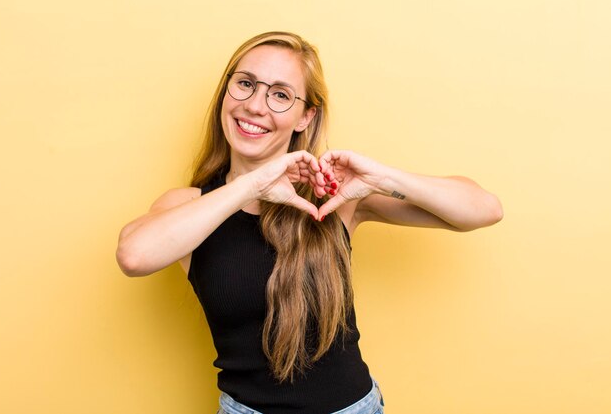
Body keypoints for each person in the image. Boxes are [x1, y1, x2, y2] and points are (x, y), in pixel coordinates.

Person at [116, 31, 503, 414]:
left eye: (281, 94)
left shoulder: (336, 196)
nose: (255, 105)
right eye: (245, 84)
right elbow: (134, 256)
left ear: (306, 116)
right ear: (226, 92)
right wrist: (251, 183)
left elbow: (483, 209)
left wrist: (386, 179)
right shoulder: (193, 205)